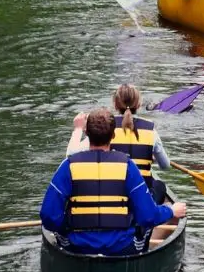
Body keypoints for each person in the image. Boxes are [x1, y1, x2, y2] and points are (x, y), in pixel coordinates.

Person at [41, 109, 187, 256]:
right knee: (144, 222)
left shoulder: (68, 166)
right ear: (113, 135)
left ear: (87, 133)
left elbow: (48, 216)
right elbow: (147, 216)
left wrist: (66, 225)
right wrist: (171, 211)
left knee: (60, 223)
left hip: (77, 246)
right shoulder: (128, 166)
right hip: (121, 247)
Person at [66, 84, 170, 203]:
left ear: (115, 105)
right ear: (139, 104)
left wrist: (78, 129)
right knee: (159, 185)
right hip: (142, 199)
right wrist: (151, 158)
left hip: (112, 194)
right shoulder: (151, 130)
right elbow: (165, 166)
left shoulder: (105, 126)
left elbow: (71, 154)